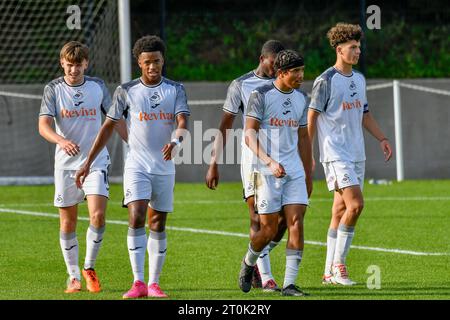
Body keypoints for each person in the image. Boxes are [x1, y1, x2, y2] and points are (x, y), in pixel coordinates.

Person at [75, 35, 190, 299]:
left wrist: (176, 142)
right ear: (139, 62)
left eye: (157, 61)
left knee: (158, 222)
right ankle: (138, 283)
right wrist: (87, 163)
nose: (153, 67)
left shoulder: (176, 89)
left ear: (163, 61)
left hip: (165, 166)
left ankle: (154, 284)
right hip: (137, 166)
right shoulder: (126, 90)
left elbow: (183, 123)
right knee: (137, 215)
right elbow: (108, 127)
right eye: (147, 62)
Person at [307, 23, 393, 286]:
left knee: (339, 209)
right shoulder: (325, 81)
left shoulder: (359, 79)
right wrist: (307, 154)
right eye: (353, 48)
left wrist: (382, 138)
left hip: (357, 153)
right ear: (339, 49)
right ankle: (338, 267)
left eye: (359, 47)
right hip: (335, 154)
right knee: (356, 205)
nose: (358, 52)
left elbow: (365, 114)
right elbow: (312, 118)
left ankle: (326, 273)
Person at [38, 41, 126, 293]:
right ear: (61, 64)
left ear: (86, 64)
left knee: (98, 215)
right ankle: (73, 276)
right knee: (68, 223)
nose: (74, 70)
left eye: (78, 65)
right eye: (69, 65)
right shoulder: (53, 89)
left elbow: (113, 120)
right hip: (65, 165)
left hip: (95, 161)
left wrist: (135, 142)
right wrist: (61, 140)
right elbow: (43, 125)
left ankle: (89, 267)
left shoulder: (97, 87)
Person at [205, 40, 286, 292]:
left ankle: (251, 262)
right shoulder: (241, 85)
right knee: (257, 218)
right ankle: (267, 276)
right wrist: (213, 162)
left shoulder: (284, 83)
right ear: (262, 58)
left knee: (283, 220)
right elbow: (225, 126)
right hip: (254, 159)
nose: (276, 70)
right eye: (274, 64)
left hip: (282, 157)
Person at [238, 49, 312, 297]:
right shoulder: (260, 95)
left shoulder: (302, 97)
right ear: (281, 73)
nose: (301, 76)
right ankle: (249, 262)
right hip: (266, 170)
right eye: (296, 72)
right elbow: (249, 134)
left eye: (302, 71)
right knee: (268, 230)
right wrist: (269, 162)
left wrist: (308, 172)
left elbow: (303, 136)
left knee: (295, 222)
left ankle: (289, 284)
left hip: (293, 171)